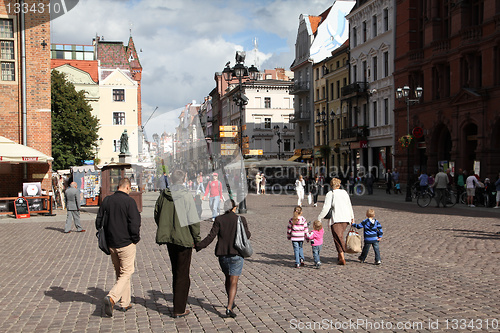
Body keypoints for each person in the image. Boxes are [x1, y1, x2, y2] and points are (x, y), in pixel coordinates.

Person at [154, 169, 200, 318]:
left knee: (176, 271)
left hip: (169, 239)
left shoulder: (163, 195)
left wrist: (166, 227)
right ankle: (179, 309)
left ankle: (178, 305)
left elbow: (157, 214)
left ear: (172, 180)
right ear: (184, 178)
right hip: (184, 238)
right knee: (182, 274)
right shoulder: (186, 196)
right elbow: (193, 220)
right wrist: (197, 239)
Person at [195, 199, 251, 318]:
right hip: (236, 254)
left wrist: (199, 245)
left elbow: (211, 236)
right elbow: (248, 235)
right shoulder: (240, 219)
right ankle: (229, 307)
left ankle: (231, 301)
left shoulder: (219, 219)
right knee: (234, 281)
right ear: (234, 208)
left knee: (227, 278)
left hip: (223, 255)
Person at [98, 178, 141, 317]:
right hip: (126, 243)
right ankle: (112, 297)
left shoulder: (107, 200)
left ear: (118, 187)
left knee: (121, 274)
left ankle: (125, 302)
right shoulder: (129, 202)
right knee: (127, 272)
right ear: (128, 187)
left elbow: (98, 221)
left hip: (112, 243)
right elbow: (135, 223)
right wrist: (135, 238)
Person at [317, 178, 354, 265]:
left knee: (337, 238)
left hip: (337, 218)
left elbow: (326, 208)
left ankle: (342, 255)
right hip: (346, 218)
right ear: (339, 185)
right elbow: (349, 204)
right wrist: (352, 217)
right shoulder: (344, 192)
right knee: (339, 236)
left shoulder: (330, 194)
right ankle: (340, 255)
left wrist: (319, 217)